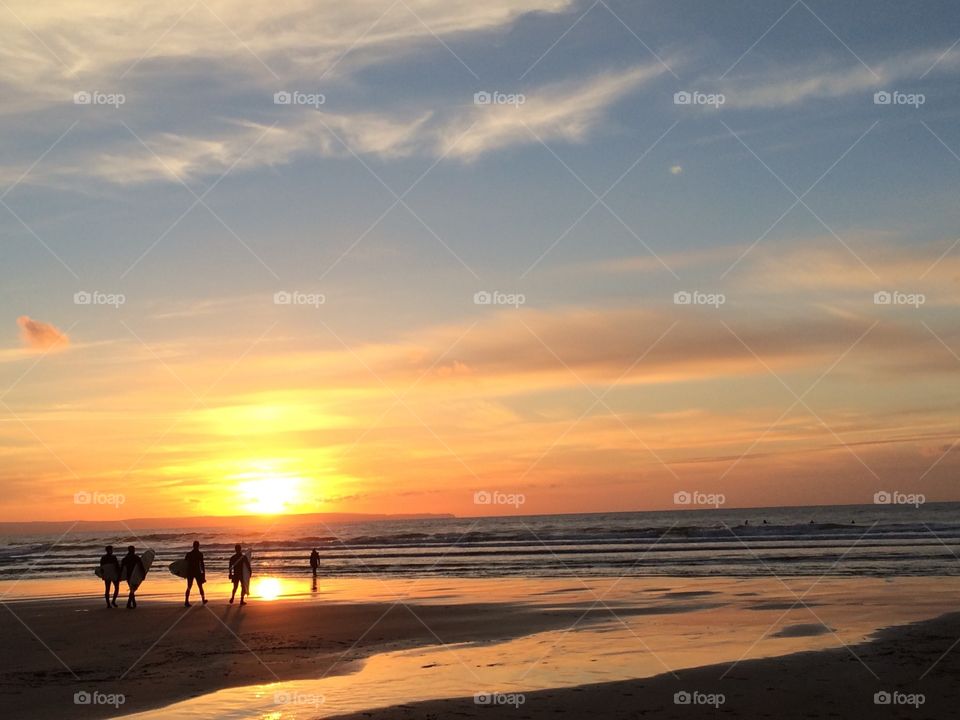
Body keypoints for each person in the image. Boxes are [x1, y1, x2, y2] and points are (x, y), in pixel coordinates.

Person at [184, 540, 208, 607]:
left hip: (190, 572)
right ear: (198, 546)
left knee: (189, 587)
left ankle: (186, 601)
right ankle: (203, 600)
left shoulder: (189, 554)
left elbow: (184, 564)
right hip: (197, 572)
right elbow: (202, 565)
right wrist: (203, 575)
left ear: (193, 546)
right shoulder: (200, 554)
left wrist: (184, 573)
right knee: (200, 586)